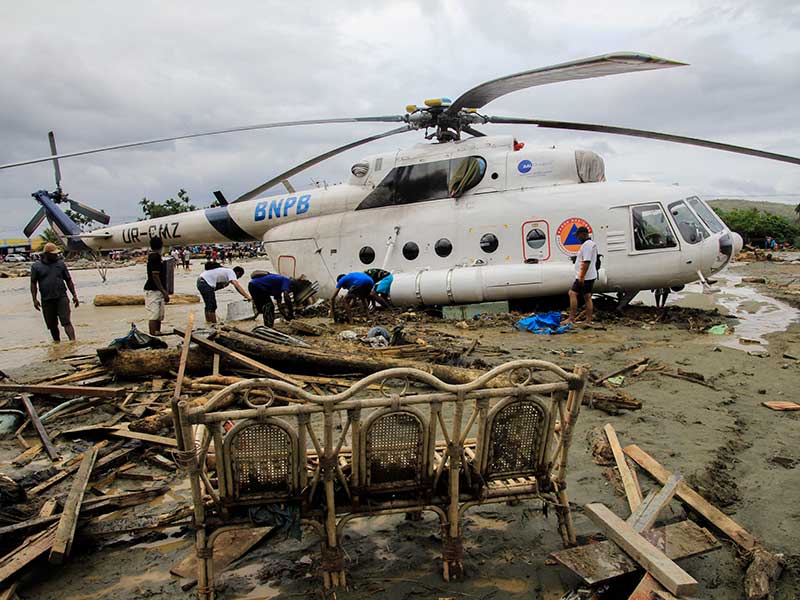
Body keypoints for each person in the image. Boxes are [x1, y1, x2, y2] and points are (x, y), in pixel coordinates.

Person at [30, 242, 79, 342]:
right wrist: (34, 299)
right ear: (47, 254)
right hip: (46, 300)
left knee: (66, 322)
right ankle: (57, 345)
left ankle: (73, 343)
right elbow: (33, 283)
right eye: (54, 254)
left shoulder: (60, 264)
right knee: (52, 325)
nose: (56, 255)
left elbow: (68, 280)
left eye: (57, 253)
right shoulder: (36, 267)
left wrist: (74, 295)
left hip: (61, 297)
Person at [565, 226, 597, 325]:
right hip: (590, 275)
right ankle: (588, 319)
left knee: (572, 293)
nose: (577, 238)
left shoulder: (587, 245)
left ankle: (571, 318)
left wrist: (581, 276)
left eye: (578, 235)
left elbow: (587, 261)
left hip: (585, 276)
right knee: (587, 296)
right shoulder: (590, 244)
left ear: (583, 234)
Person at [144, 236, 170, 335]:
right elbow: (155, 275)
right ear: (161, 245)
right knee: (154, 316)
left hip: (157, 290)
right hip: (153, 290)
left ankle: (157, 334)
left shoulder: (156, 257)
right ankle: (153, 336)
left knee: (159, 316)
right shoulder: (155, 258)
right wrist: (164, 291)